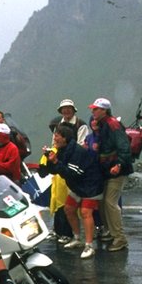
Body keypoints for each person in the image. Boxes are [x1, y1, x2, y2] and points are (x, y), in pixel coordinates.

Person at [44, 123, 104, 259]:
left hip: (91, 185)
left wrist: (56, 163)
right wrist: (50, 160)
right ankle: (77, 238)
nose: (54, 139)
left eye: (57, 136)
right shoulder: (63, 149)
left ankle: (89, 246)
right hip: (78, 186)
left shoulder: (76, 151)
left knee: (85, 212)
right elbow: (54, 170)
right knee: (69, 209)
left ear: (65, 138)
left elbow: (72, 173)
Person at [89, 98, 133, 252]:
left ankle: (120, 238)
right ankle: (109, 232)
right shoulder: (103, 125)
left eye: (96, 109)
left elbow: (124, 146)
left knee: (110, 202)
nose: (93, 111)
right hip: (107, 169)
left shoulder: (113, 124)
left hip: (116, 169)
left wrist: (119, 164)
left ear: (104, 110)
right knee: (102, 202)